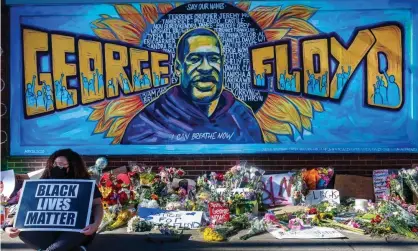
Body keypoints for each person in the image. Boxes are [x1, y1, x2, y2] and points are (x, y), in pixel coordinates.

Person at [121, 28, 263, 144]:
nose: (206, 68)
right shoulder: (150, 120)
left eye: (213, 59)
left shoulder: (241, 116)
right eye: (194, 59)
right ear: (178, 68)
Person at [4, 149, 103, 251]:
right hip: (48, 230)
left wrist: (95, 225)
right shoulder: (43, 183)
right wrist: (8, 226)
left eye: (62, 164)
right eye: (55, 163)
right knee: (23, 231)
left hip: (75, 230)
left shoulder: (86, 184)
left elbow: (97, 205)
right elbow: (27, 206)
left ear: (73, 166)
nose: (57, 167)